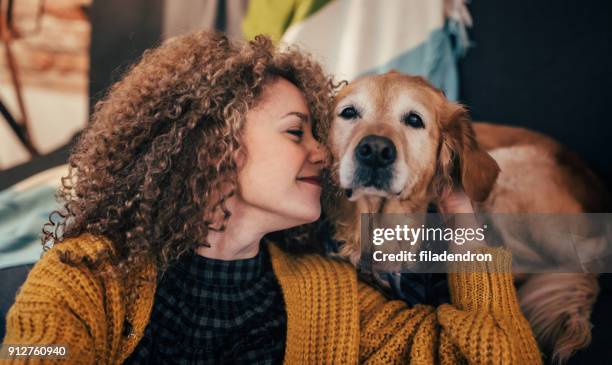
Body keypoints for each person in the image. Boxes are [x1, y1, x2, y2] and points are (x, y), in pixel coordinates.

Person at [2, 31, 542, 364]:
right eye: (296, 132)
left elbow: (502, 357)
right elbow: (32, 351)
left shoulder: (332, 298)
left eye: (316, 131)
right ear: (214, 148)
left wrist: (459, 213)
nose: (325, 154)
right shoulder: (89, 271)